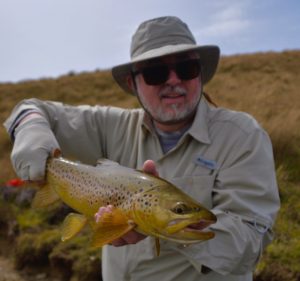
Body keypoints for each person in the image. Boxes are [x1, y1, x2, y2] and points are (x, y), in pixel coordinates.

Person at [4, 16, 280, 281]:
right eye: (155, 72)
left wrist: (159, 226)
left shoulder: (243, 136)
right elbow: (31, 108)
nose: (173, 80)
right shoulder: (111, 125)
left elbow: (251, 238)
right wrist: (30, 128)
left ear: (200, 74)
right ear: (132, 82)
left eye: (186, 68)